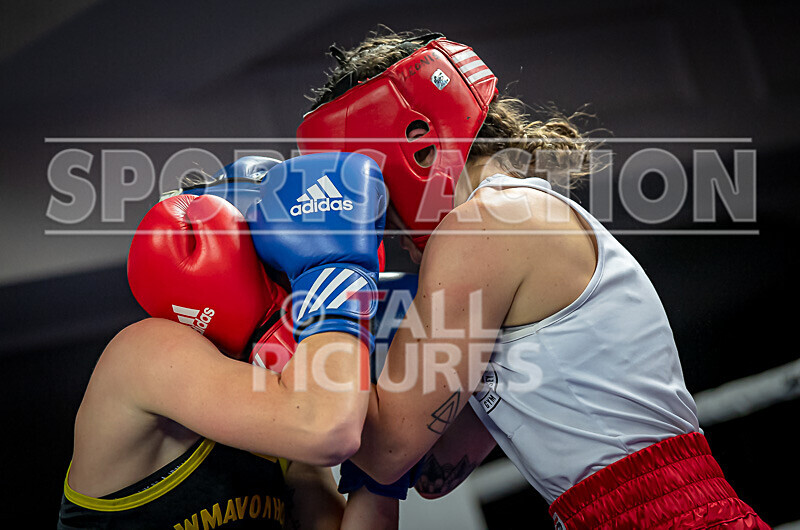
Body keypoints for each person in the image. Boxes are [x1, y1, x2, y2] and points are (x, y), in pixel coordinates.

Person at [294, 30, 770, 528]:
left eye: (373, 194)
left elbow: (386, 449)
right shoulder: (515, 217)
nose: (381, 222)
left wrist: (309, 327)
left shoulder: (485, 224)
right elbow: (433, 470)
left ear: (421, 146)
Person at [57, 156, 398, 529]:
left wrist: (394, 440)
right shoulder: (143, 352)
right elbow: (326, 429)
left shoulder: (280, 408)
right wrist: (337, 273)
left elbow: (341, 453)